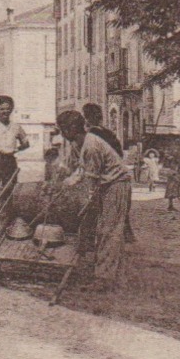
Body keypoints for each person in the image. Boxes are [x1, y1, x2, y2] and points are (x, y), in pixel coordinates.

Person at [54, 109, 133, 288]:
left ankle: (104, 279)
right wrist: (62, 181)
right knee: (105, 230)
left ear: (72, 128)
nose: (62, 134)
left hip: (116, 184)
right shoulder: (78, 143)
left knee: (108, 230)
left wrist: (86, 201)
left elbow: (91, 180)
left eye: (63, 129)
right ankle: (113, 275)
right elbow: (76, 168)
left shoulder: (90, 145)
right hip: (106, 184)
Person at [165, 148, 180, 212]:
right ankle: (170, 206)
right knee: (171, 191)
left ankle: (171, 206)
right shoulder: (174, 160)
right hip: (172, 177)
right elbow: (172, 170)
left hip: (176, 177)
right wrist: (175, 176)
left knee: (174, 192)